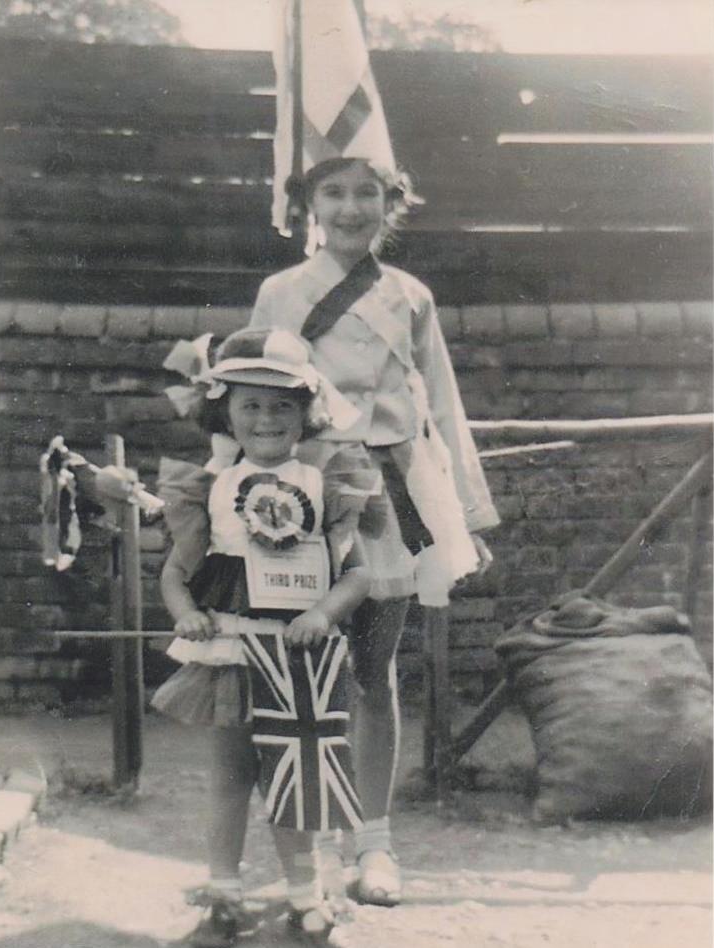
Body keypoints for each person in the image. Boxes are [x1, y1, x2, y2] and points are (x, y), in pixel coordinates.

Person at [249, 156, 500, 907]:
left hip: (391, 492)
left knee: (371, 669)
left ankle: (375, 844)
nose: (350, 207)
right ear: (307, 205)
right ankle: (310, 849)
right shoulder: (280, 291)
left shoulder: (409, 295)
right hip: (303, 497)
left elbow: (442, 404)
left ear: (390, 205)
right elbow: (252, 393)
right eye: (333, 191)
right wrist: (233, 494)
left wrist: (466, 506)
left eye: (368, 193)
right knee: (296, 669)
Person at [153, 327, 378, 947]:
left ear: (307, 413)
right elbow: (176, 574)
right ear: (224, 410)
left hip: (299, 657)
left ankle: (305, 898)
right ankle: (223, 893)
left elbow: (358, 573)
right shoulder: (213, 488)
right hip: (230, 653)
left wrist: (322, 614)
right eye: (250, 404)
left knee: (297, 774)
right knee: (230, 777)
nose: (267, 418)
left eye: (283, 405)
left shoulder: (325, 484)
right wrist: (185, 614)